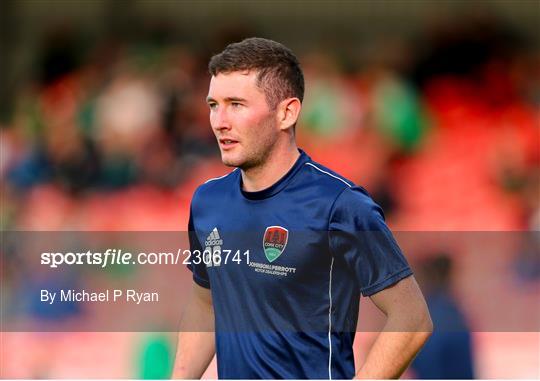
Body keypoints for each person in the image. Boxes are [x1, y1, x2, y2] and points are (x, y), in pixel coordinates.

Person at [173, 37, 432, 379]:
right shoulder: (207, 202)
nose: (220, 121)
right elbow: (206, 303)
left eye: (236, 104)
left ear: (286, 113)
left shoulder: (340, 205)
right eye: (213, 105)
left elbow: (412, 319)